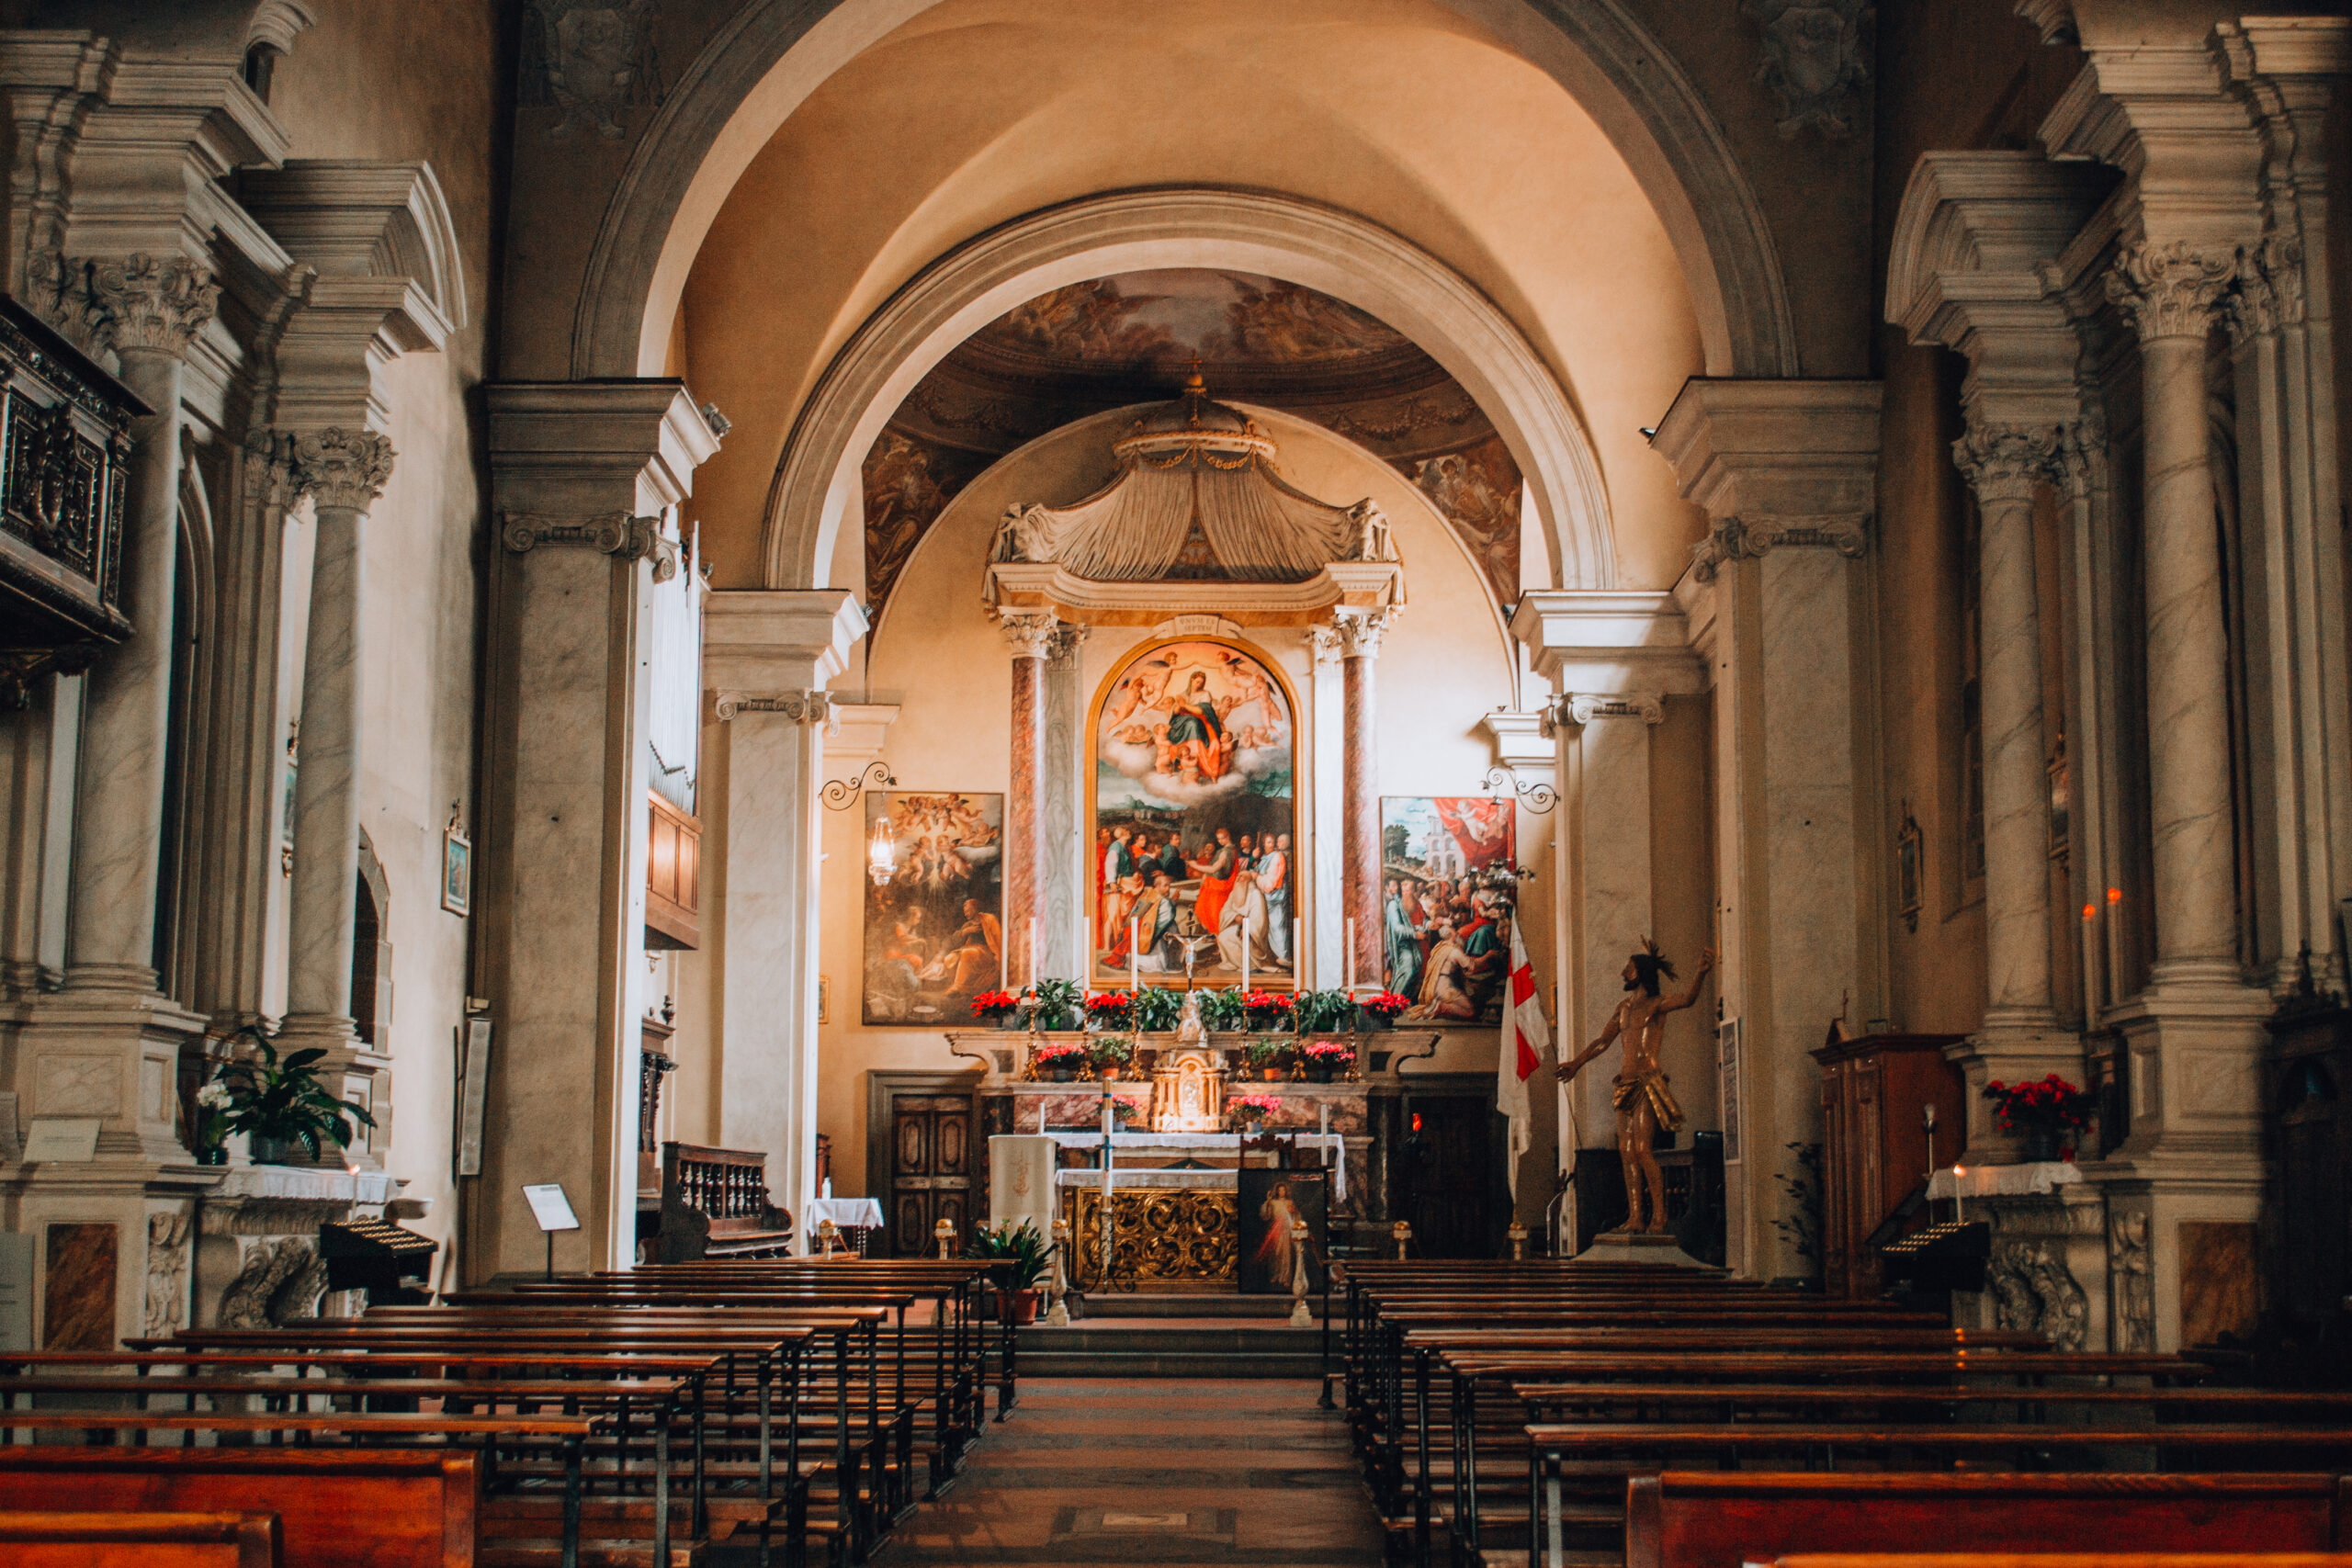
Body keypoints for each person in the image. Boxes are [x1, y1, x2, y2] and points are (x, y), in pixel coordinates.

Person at [1557, 939, 1715, 1235]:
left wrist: (1701, 974)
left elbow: (1688, 1000)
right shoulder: (1623, 1009)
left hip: (1647, 1081)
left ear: (1641, 972)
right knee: (1625, 1150)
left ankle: (1659, 1215)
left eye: (1628, 969)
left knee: (1643, 1149)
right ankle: (1635, 1217)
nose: (1623, 974)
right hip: (1625, 1084)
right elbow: (1603, 1042)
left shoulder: (1657, 1004)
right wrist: (1575, 1063)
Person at [1188, 827, 1239, 937]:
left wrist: (1195, 865)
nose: (1220, 841)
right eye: (1218, 839)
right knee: (1214, 915)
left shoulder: (1225, 852)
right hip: (1221, 886)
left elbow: (1213, 869)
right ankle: (1217, 940)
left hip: (1219, 888)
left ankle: (1219, 941)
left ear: (1228, 836)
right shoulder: (1234, 850)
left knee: (1213, 915)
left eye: (1222, 838)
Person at [1384, 878, 1422, 998]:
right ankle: (1396, 999)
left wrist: (1421, 928)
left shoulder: (1401, 903)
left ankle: (1405, 998)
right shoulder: (1392, 905)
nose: (1405, 893)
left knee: (1417, 963)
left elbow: (1408, 924)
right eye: (1404, 890)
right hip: (1401, 945)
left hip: (1410, 942)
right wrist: (1415, 934)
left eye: (1408, 890)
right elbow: (1397, 928)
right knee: (1409, 967)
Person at [1259, 832, 1291, 966]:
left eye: (1273, 842)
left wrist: (1256, 877)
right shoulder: (1265, 857)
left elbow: (1271, 882)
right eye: (1269, 842)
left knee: (1276, 924)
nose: (1273, 844)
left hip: (1274, 895)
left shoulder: (1278, 856)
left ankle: (1283, 955)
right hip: (1266, 895)